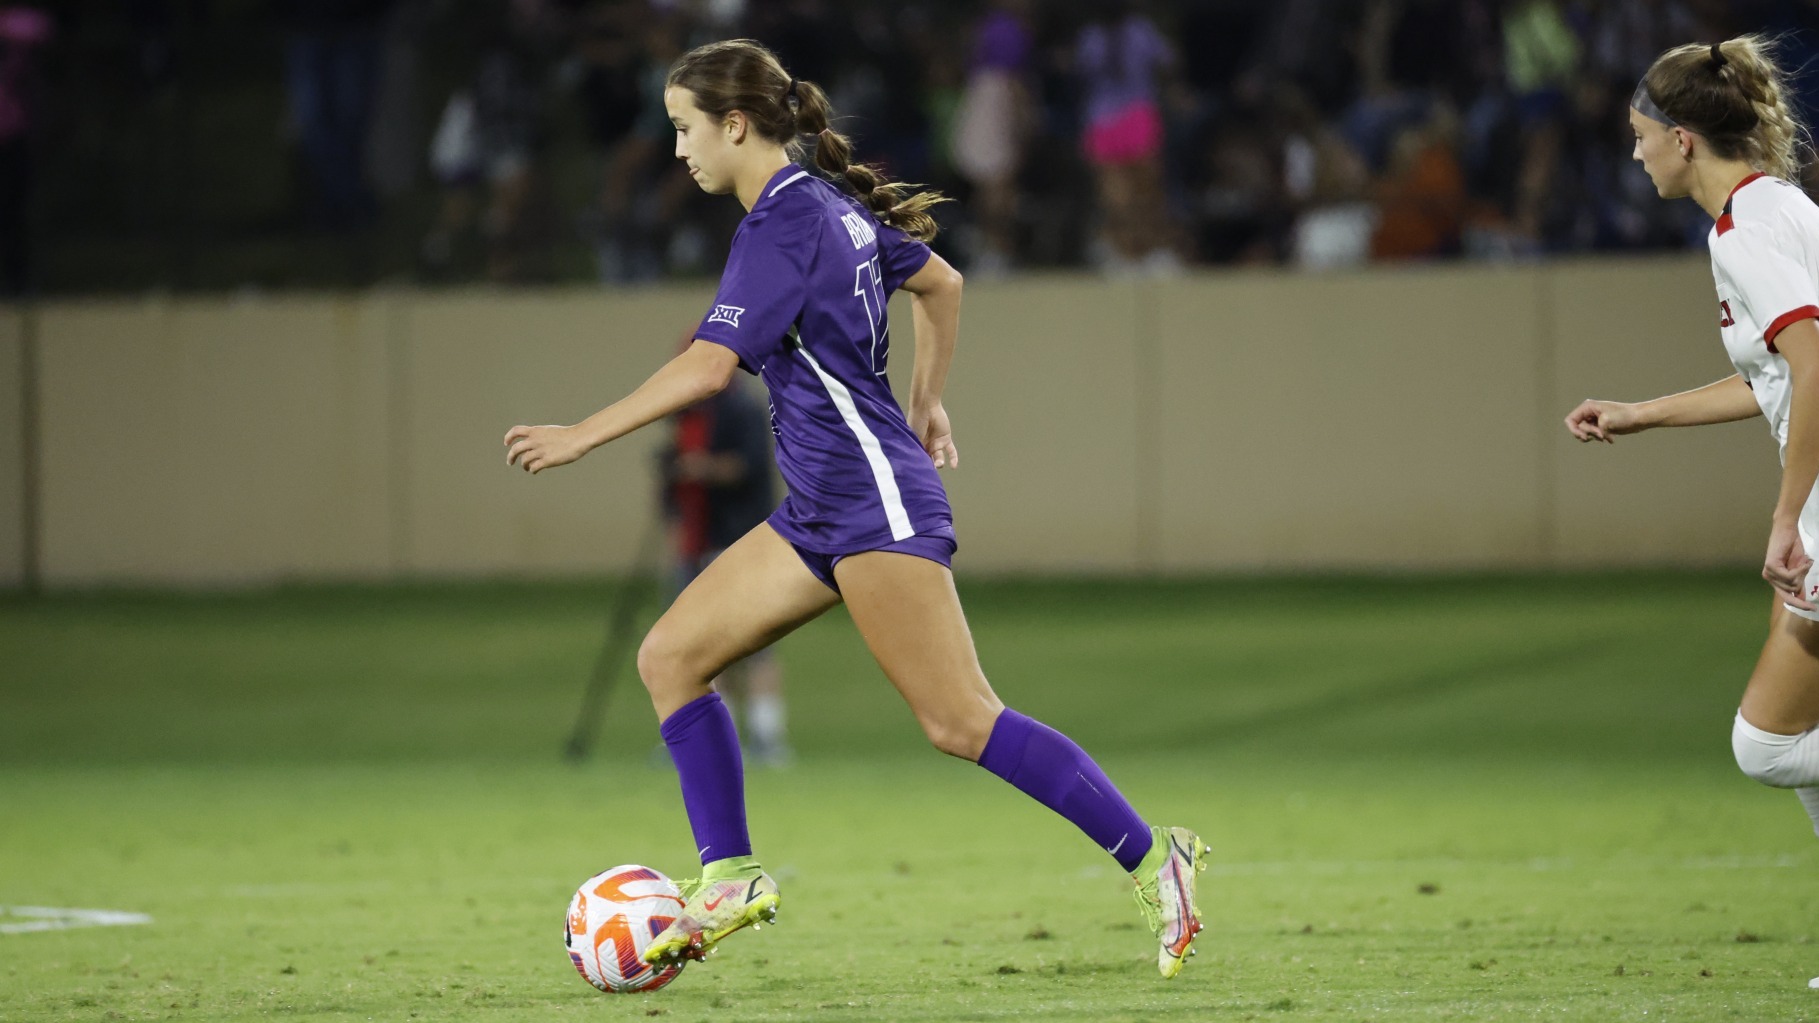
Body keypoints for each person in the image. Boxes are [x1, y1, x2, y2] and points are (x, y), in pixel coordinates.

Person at [505, 38, 1208, 979]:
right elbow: (942, 283)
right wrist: (925, 400)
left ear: (735, 124)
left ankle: (1158, 858)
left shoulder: (782, 226)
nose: (678, 151)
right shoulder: (824, 206)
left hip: (871, 501)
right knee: (670, 656)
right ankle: (731, 876)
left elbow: (711, 366)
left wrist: (582, 433)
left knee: (961, 721)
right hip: (824, 508)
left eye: (684, 129)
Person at [1565, 38, 1819, 847]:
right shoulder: (1780, 207)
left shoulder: (1742, 232)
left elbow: (1814, 365)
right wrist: (1639, 413)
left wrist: (1786, 517)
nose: (1634, 154)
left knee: (1767, 745)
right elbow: (1776, 377)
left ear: (1682, 138)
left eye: (1640, 135)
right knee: (1797, 731)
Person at [659, 369, 790, 765]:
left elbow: (747, 468)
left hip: (738, 542)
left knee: (755, 645)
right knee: (699, 648)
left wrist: (701, 468)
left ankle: (767, 737)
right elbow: (669, 480)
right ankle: (715, 741)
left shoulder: (744, 412)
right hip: (694, 545)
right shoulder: (683, 416)